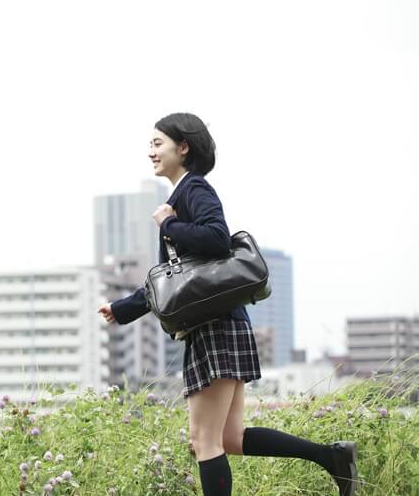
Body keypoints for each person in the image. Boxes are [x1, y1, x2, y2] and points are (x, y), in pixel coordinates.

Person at [96, 112, 357, 496]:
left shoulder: (193, 189)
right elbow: (180, 278)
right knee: (230, 437)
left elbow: (218, 240)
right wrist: (125, 308)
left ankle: (333, 458)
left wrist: (168, 225)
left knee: (205, 441)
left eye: (157, 143)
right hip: (222, 324)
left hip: (215, 327)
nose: (150, 151)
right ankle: (331, 457)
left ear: (183, 147)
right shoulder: (181, 195)